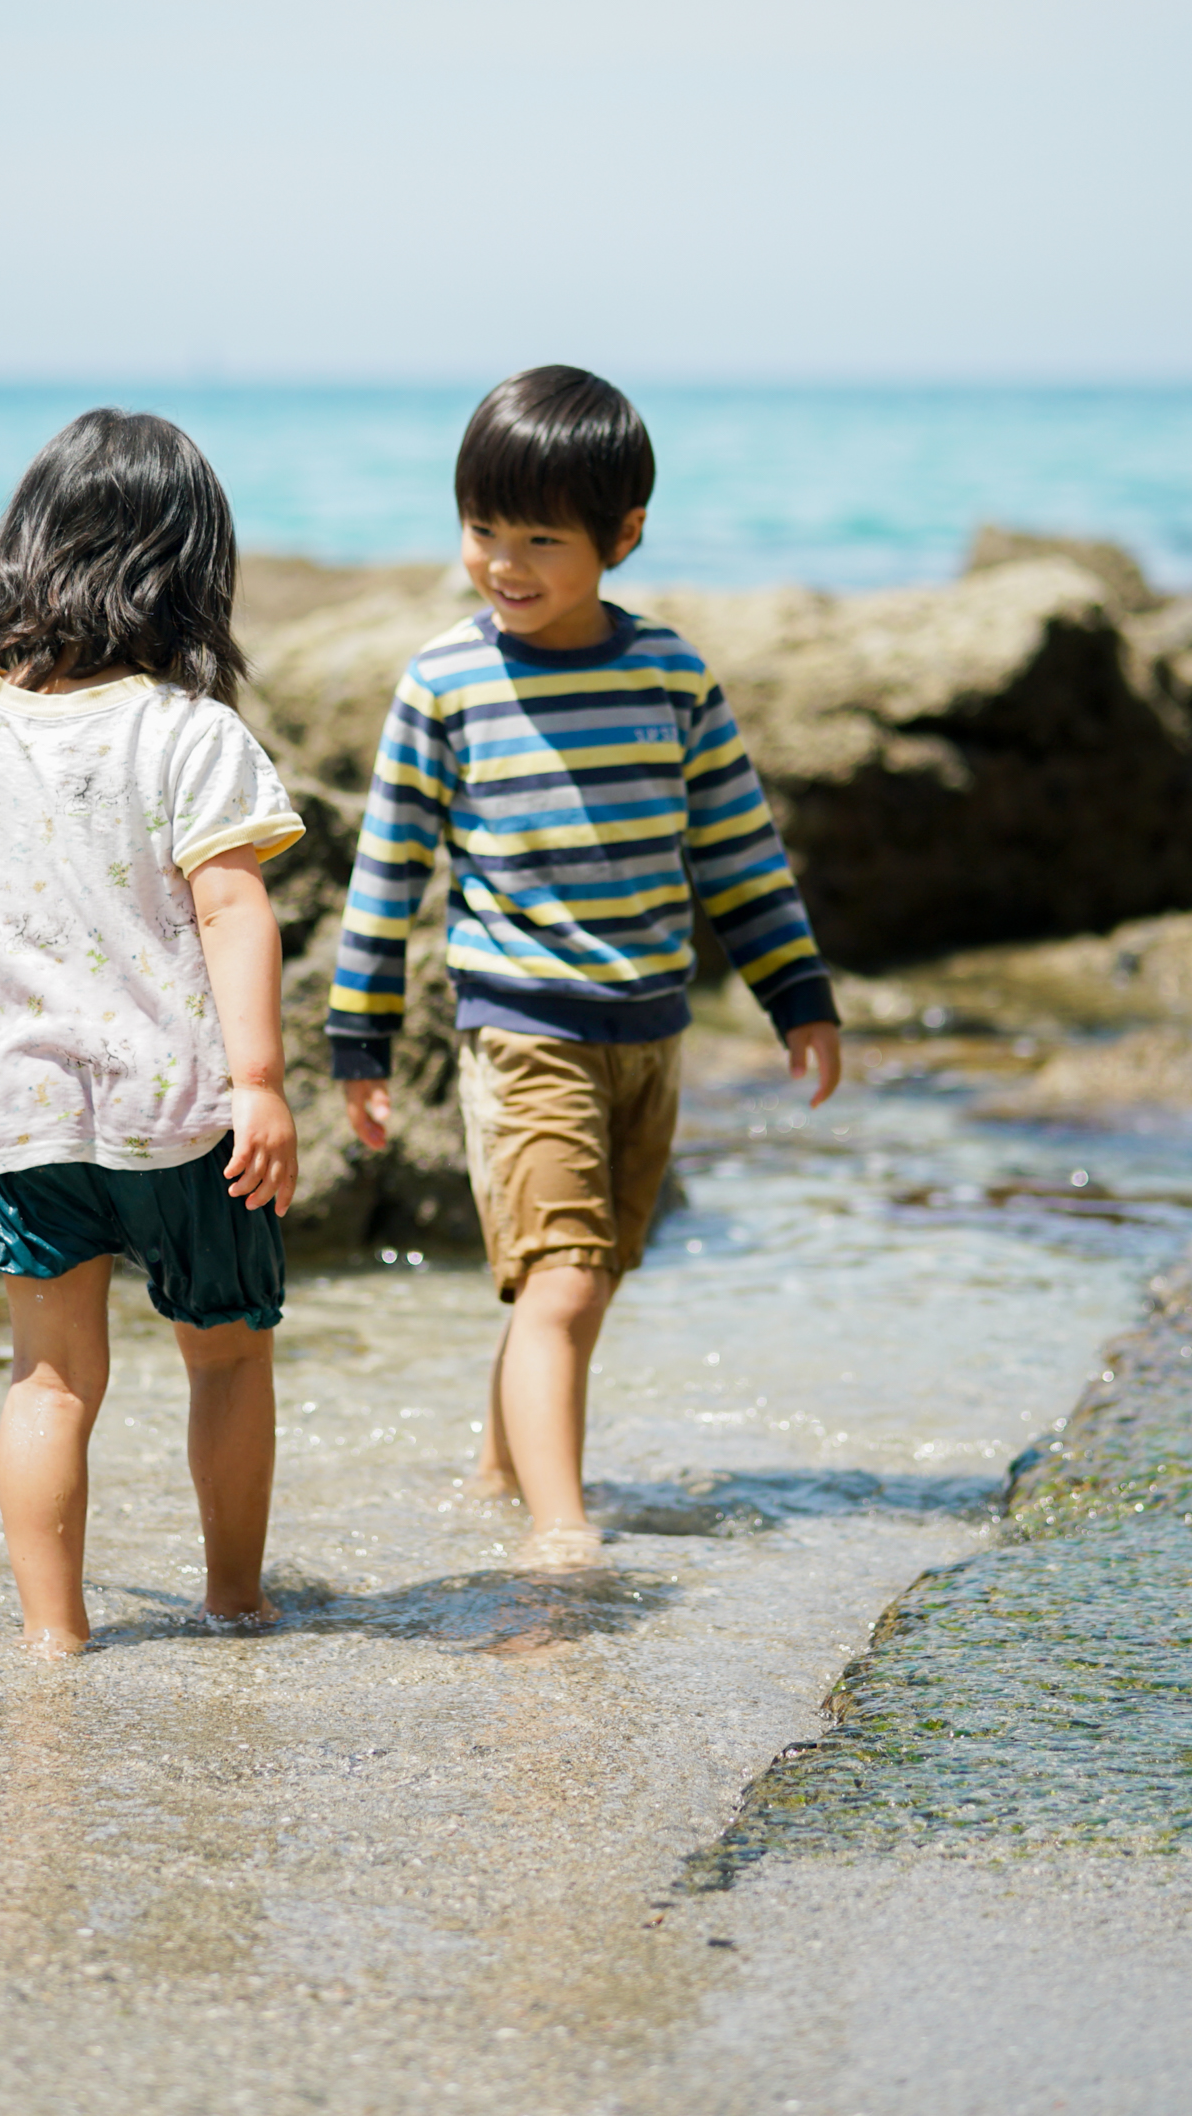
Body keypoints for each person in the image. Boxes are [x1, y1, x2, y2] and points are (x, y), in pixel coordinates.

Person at [326, 365, 844, 1562]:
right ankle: (563, 1531)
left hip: (649, 1032)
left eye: (540, 538)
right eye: (481, 530)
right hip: (519, 1027)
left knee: (586, 1279)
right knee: (558, 1277)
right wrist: (359, 1035)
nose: (505, 562)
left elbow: (739, 856)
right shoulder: (445, 685)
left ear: (624, 535)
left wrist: (798, 998)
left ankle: (502, 1469)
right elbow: (388, 869)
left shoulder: (670, 678)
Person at [0, 409, 305, 1654]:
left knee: (49, 1383)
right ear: (186, 573)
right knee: (225, 1363)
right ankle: (233, 1599)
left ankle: (55, 1636)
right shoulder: (188, 734)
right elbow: (232, 906)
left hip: (29, 1120)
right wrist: (259, 1079)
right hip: (186, 1119)